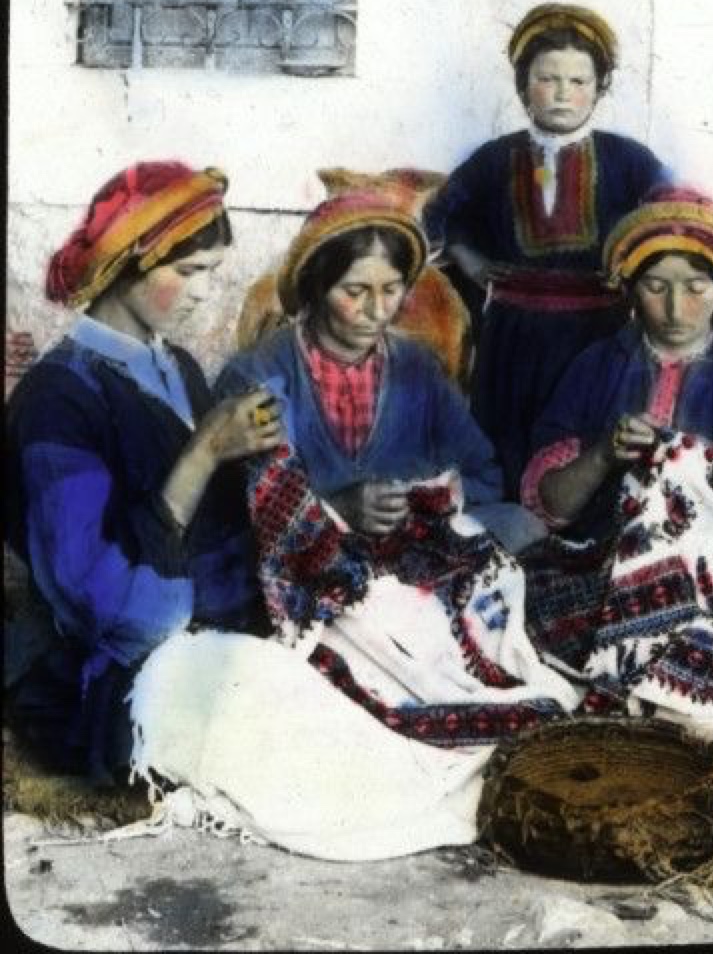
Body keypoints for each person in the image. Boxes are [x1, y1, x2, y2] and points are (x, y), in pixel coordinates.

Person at [214, 188, 578, 745]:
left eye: (391, 291)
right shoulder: (259, 376)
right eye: (354, 291)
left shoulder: (416, 367)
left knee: (522, 526)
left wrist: (426, 503)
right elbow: (240, 514)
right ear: (315, 285)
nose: (377, 311)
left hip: (417, 557)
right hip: (319, 570)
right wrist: (338, 507)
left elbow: (482, 471)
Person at [5, 161, 280, 785]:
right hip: (122, 677)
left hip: (220, 632)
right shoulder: (57, 400)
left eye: (213, 273)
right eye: (188, 271)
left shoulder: (177, 365)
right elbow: (107, 607)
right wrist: (202, 454)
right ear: (126, 264)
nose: (204, 293)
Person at [424, 2, 671, 492]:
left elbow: (671, 222)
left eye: (578, 81)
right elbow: (440, 214)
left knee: (587, 438)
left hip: (599, 333)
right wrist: (469, 258)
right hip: (512, 334)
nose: (562, 93)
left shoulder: (629, 161)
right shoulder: (495, 159)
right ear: (522, 87)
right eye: (547, 79)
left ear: (600, 88)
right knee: (508, 445)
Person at [521, 185, 713, 543]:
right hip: (605, 556)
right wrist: (603, 454)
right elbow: (550, 505)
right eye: (655, 287)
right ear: (631, 287)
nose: (675, 310)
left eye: (696, 287)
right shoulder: (595, 367)